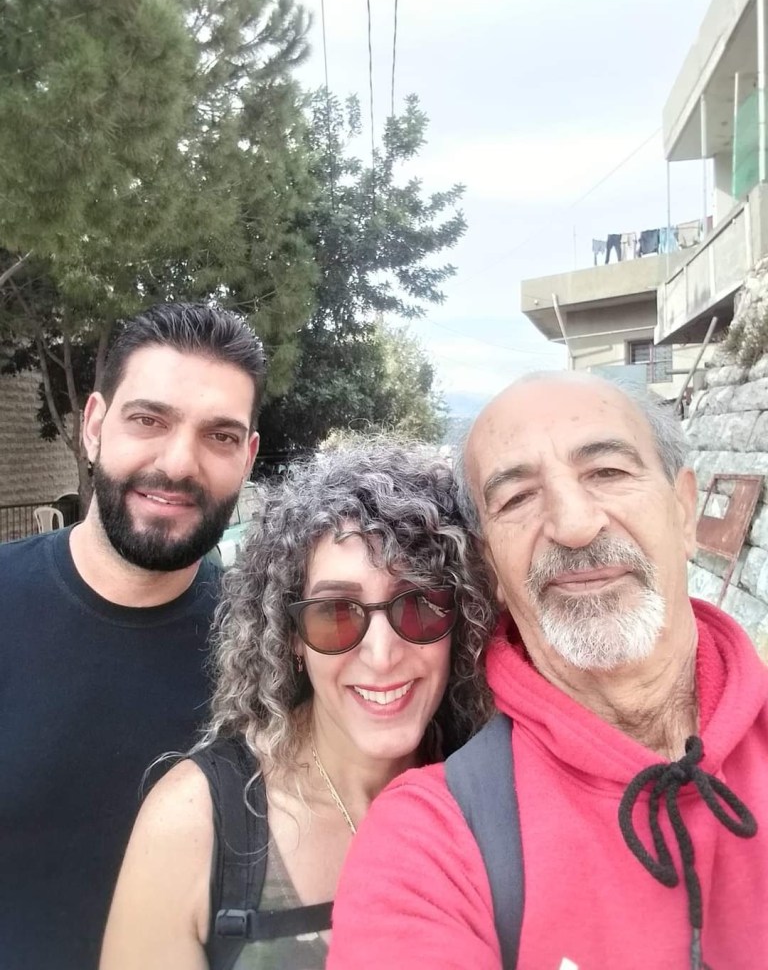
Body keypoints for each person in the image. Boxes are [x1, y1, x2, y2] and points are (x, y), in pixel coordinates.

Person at [327, 372, 768, 970]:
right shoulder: (430, 842)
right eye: (517, 498)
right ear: (491, 568)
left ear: (685, 512)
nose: (574, 524)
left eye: (607, 471)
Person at [100, 441, 496, 970]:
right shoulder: (195, 824)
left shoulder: (492, 796)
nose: (382, 655)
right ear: (291, 637)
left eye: (420, 604)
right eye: (336, 613)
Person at [0, 302, 263, 970]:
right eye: (149, 420)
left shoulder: (270, 653)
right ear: (94, 426)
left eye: (220, 436)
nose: (178, 464)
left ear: (248, 458)